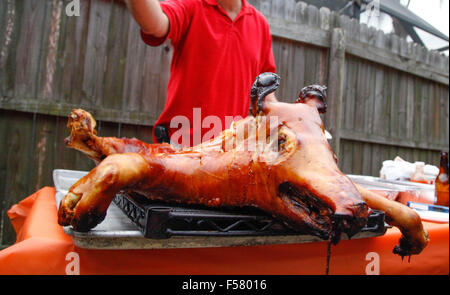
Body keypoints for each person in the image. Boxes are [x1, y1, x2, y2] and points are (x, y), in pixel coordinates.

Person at [125, 0, 277, 146]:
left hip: (228, 155)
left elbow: (266, 95)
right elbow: (155, 24)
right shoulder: (190, 6)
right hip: (180, 150)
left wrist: (293, 121)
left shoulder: (260, 24)